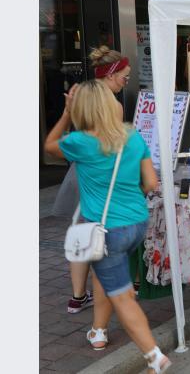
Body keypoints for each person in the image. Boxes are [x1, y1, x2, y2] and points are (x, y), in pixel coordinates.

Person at [44, 80, 171, 372]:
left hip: (106, 229)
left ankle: (153, 355)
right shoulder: (132, 136)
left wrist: (65, 113)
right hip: (136, 223)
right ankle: (98, 332)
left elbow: (49, 146)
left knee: (123, 297)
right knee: (112, 282)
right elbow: (151, 183)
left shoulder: (80, 142)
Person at [62, 45, 132, 315]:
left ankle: (77, 297)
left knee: (81, 231)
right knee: (104, 237)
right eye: (124, 77)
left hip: (81, 170)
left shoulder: (81, 95)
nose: (125, 82)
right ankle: (108, 298)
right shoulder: (112, 105)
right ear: (111, 75)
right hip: (104, 174)